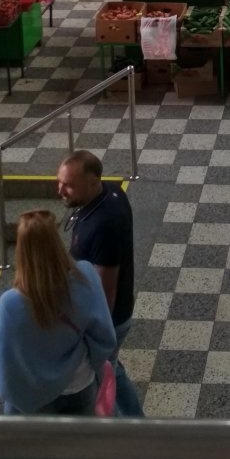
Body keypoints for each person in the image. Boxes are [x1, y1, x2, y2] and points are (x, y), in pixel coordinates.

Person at [0, 209, 115, 416]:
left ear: (22, 250)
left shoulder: (10, 304)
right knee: (82, 444)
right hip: (80, 384)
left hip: (35, 395)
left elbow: (4, 360)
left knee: (41, 447)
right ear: (56, 242)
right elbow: (104, 335)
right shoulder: (86, 276)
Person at [57, 150, 142, 417]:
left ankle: (121, 439)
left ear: (93, 181)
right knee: (111, 370)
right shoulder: (112, 192)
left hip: (110, 320)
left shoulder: (104, 225)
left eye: (69, 184)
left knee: (99, 382)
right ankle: (137, 423)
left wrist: (93, 332)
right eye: (60, 181)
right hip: (118, 315)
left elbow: (105, 289)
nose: (60, 190)